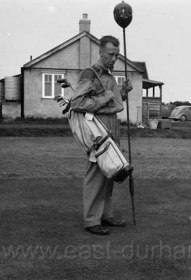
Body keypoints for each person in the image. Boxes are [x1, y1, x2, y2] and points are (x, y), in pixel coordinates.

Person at [70, 35, 133, 235]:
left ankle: (105, 216)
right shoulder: (90, 73)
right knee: (96, 176)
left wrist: (121, 92)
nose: (114, 59)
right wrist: (104, 97)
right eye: (110, 54)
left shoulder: (108, 75)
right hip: (97, 131)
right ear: (100, 51)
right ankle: (91, 221)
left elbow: (112, 101)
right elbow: (77, 103)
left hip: (112, 128)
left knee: (110, 173)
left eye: (117, 55)